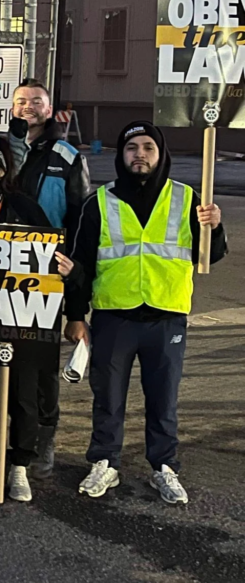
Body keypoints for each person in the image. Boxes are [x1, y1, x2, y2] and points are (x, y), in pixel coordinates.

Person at [65, 121, 226, 505]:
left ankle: (164, 466)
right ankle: (105, 461)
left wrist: (215, 227)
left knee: (163, 399)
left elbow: (211, 254)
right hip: (114, 316)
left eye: (148, 147)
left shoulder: (188, 199)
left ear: (160, 153)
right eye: (132, 147)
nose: (140, 154)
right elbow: (80, 264)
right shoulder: (98, 202)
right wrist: (75, 315)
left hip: (166, 318)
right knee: (108, 398)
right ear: (121, 155)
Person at [0, 80, 92, 479]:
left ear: (50, 108)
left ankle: (33, 451)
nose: (28, 107)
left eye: (36, 101)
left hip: (34, 299)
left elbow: (78, 232)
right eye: (21, 101)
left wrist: (76, 306)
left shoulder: (65, 157)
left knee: (33, 381)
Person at [0, 137, 75, 503]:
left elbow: (52, 252)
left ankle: (19, 463)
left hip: (21, 317)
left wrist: (65, 269)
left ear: (1, 172)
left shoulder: (23, 206)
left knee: (23, 392)